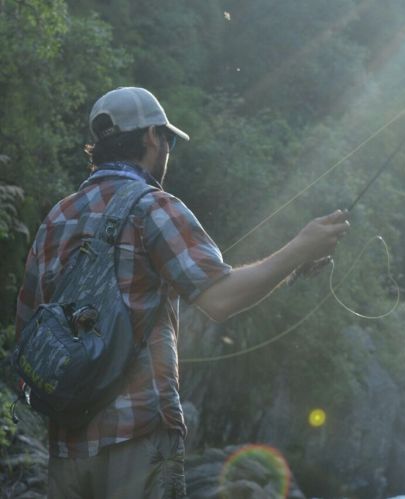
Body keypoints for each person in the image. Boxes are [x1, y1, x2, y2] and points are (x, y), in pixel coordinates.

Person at [14, 87, 350, 498]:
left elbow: (29, 331)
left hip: (66, 448)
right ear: (152, 137)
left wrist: (292, 268)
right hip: (138, 440)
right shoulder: (153, 206)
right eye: (167, 139)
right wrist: (300, 247)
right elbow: (220, 298)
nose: (168, 149)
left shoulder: (56, 218)